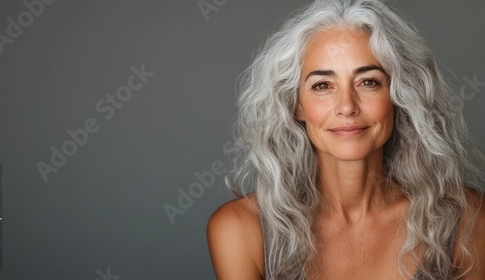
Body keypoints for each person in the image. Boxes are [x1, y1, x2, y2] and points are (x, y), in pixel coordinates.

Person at [206, 0, 485, 279]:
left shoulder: (467, 219)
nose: (347, 106)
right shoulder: (241, 229)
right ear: (296, 105)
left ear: (400, 96)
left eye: (368, 81)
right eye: (322, 85)